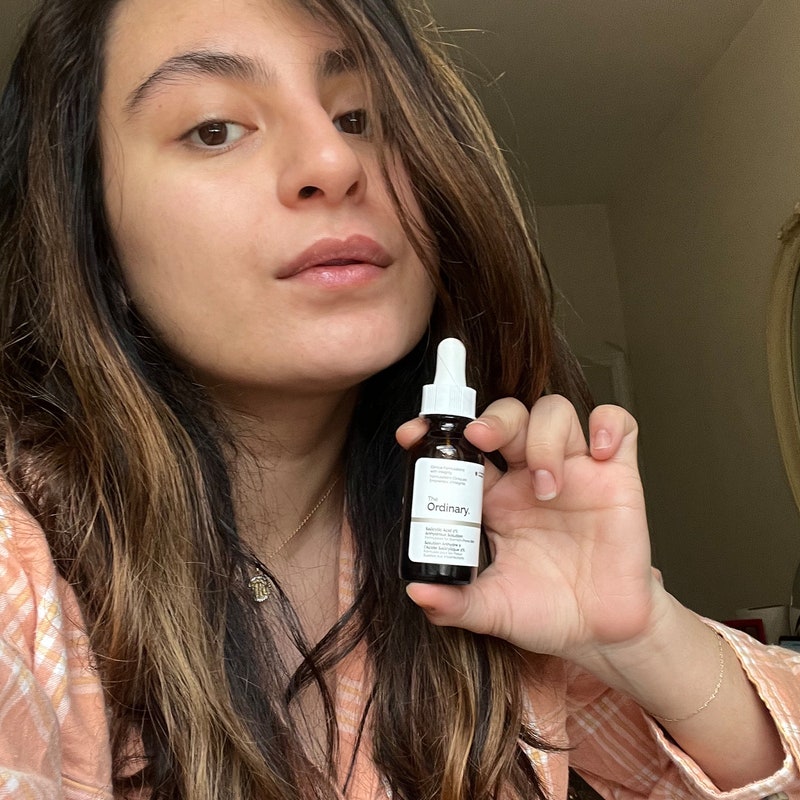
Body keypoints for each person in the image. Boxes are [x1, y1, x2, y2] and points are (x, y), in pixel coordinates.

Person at [0, 0, 798, 798]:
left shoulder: (478, 548)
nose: (334, 160)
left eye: (359, 117)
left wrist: (636, 637)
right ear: (89, 234)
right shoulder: (22, 556)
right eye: (214, 129)